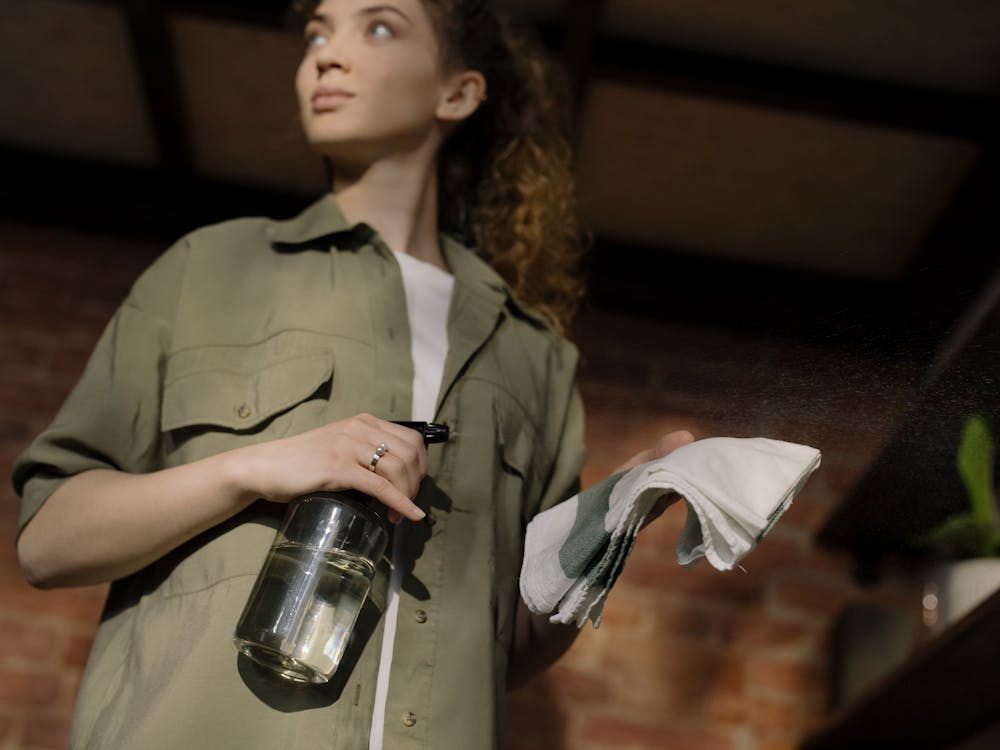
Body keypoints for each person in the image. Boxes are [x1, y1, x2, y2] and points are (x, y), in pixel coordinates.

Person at [12, 1, 692, 748]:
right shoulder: (203, 271)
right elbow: (49, 542)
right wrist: (257, 466)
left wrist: (613, 527)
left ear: (457, 94)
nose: (325, 57)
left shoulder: (535, 357)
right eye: (315, 34)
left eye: (377, 27)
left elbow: (499, 649)